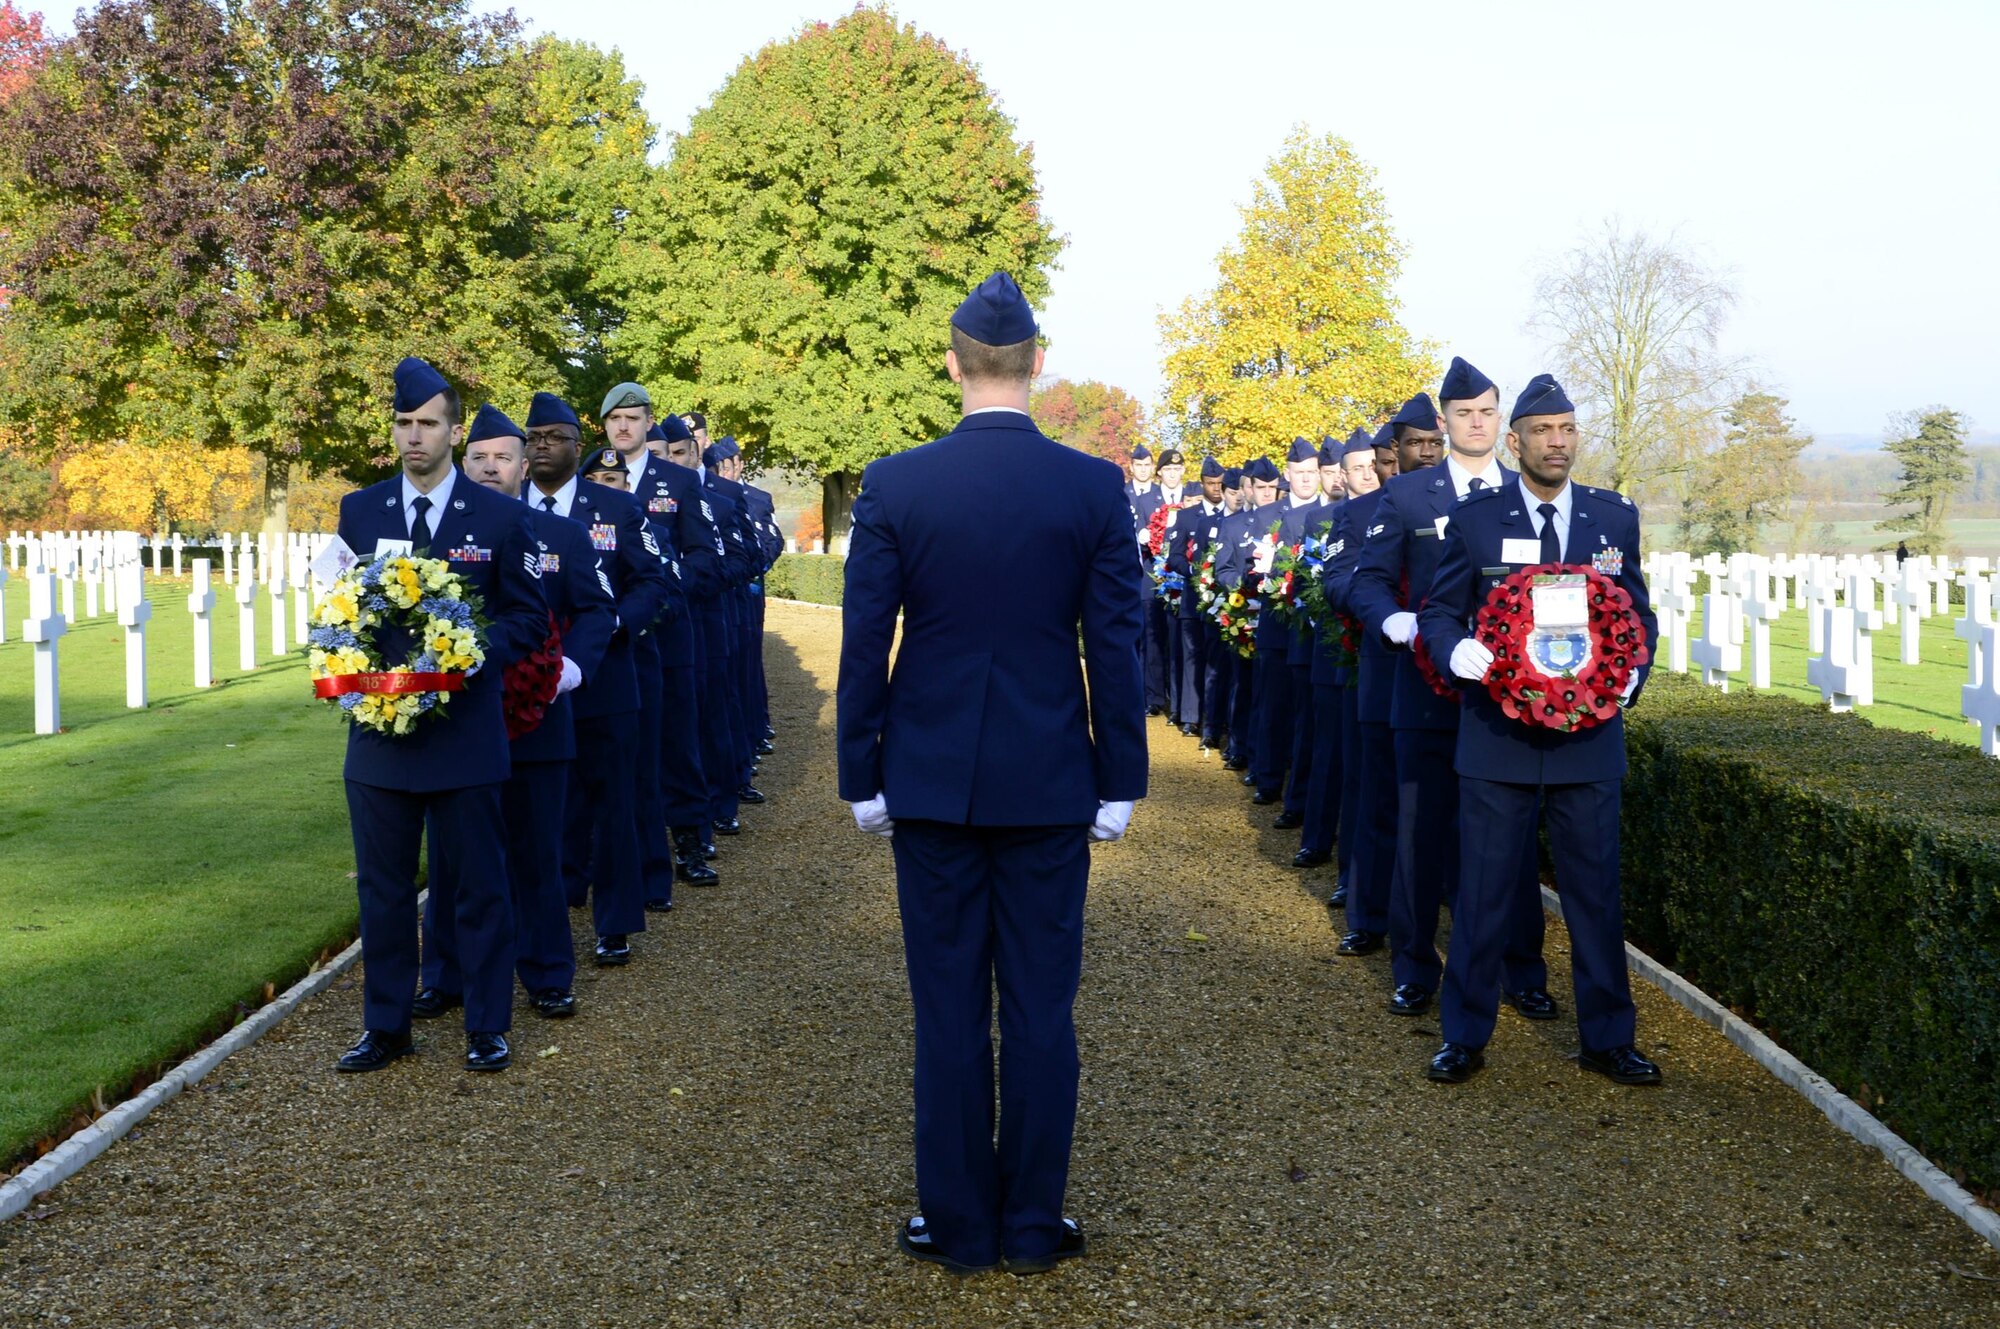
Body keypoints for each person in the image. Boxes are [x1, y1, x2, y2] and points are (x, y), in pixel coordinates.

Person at [838, 272, 1146, 1276]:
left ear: (951, 361)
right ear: (1037, 362)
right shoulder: (1092, 487)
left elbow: (863, 641)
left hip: (927, 778)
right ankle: (1028, 1226)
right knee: (1040, 1012)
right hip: (1050, 779)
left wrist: (859, 771)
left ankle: (958, 1225)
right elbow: (1115, 645)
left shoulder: (895, 482)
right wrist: (1119, 780)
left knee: (947, 1012)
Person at [1418, 374, 1660, 1086]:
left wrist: (1633, 672)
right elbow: (1439, 610)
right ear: (1514, 439)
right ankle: (1463, 1033)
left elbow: (1638, 615)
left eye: (1569, 428)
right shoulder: (1477, 519)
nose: (1558, 441)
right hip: (1500, 738)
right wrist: (1451, 646)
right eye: (1544, 430)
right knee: (1484, 894)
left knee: (1595, 896)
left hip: (1589, 741)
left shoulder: (1612, 519)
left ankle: (1608, 1037)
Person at [332, 358, 550, 1074]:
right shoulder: (360, 511)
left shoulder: (500, 516)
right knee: (384, 891)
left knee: (480, 887)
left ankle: (487, 1023)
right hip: (380, 737)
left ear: (455, 431)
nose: (414, 436)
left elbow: (528, 615)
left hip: (465, 735)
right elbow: (340, 610)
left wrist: (473, 648)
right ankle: (386, 1024)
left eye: (427, 423)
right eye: (403, 423)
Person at [1352, 359, 1550, 1019]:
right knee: (1421, 835)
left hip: (1508, 701)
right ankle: (1416, 968)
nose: (1476, 422)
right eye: (1464, 413)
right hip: (1427, 694)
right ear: (1444, 422)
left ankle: (1521, 968)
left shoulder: (1527, 496)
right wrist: (1396, 621)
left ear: (1502, 421)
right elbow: (1367, 581)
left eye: (1488, 412)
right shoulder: (1410, 496)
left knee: (1512, 841)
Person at [418, 404, 614, 1018]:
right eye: (478, 457)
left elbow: (594, 610)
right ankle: (444, 975)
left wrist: (570, 671)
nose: (489, 467)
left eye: (503, 457)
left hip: (537, 721)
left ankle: (548, 972)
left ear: (524, 464)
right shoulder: (436, 534)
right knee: (452, 861)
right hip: (455, 725)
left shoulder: (561, 534)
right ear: (462, 460)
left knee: (537, 855)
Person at [603, 387, 724, 887]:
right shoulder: (593, 483)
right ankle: (626, 854)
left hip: (669, 632)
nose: (624, 427)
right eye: (615, 418)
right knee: (619, 751)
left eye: (633, 418)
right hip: (608, 640)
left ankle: (692, 842)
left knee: (677, 743)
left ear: (648, 421)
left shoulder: (676, 481)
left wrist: (670, 589)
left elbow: (705, 556)